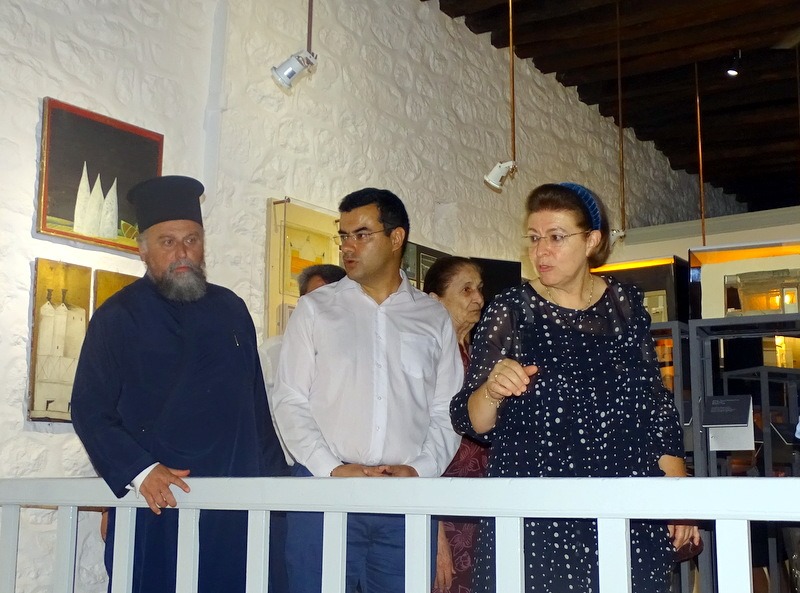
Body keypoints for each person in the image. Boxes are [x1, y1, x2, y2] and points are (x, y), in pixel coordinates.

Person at [449, 182, 700, 593]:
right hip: (536, 512)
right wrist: (492, 390)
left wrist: (677, 499)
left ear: (591, 241)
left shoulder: (625, 305)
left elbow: (654, 408)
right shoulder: (511, 310)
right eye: (534, 238)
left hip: (623, 501)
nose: (541, 251)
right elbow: (470, 420)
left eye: (556, 237)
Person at [71, 175, 288, 593]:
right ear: (144, 250)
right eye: (167, 242)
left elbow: (256, 410)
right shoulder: (118, 317)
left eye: (191, 240)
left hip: (236, 508)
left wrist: (278, 490)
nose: (182, 253)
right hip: (158, 505)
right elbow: (89, 408)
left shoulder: (231, 309)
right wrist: (139, 471)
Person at [273, 187, 463, 593]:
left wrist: (421, 469)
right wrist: (330, 468)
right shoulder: (316, 309)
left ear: (396, 238)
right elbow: (289, 400)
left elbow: (447, 409)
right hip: (324, 492)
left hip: (404, 500)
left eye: (361, 234)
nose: (348, 247)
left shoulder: (433, 317)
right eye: (343, 235)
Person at [423, 256, 489, 593]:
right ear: (435, 300)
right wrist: (433, 529)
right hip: (443, 511)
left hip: (483, 509)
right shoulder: (426, 362)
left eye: (479, 289)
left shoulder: (482, 359)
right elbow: (415, 448)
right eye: (466, 290)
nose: (479, 298)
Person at [259, 263, 346, 464]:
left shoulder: (357, 358)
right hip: (287, 466)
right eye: (314, 299)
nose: (320, 308)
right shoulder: (272, 352)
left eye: (329, 300)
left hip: (345, 465)